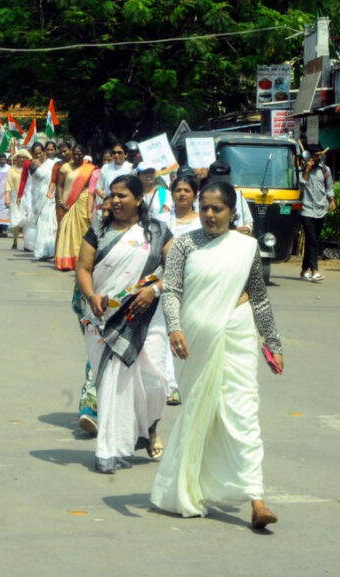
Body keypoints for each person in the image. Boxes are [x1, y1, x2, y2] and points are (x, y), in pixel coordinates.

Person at [150, 180, 284, 529]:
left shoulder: (246, 247)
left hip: (237, 338)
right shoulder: (183, 246)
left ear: (232, 212)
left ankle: (256, 500)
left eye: (218, 209)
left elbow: (259, 296)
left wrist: (272, 341)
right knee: (200, 413)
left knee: (243, 416)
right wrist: (175, 327)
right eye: (205, 207)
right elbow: (172, 292)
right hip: (193, 343)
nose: (210, 214)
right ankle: (191, 486)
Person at [75, 174, 172, 474]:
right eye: (112, 195)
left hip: (148, 317)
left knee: (155, 381)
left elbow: (176, 268)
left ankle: (148, 427)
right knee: (113, 386)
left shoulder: (157, 231)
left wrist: (153, 289)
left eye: (122, 196)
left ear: (139, 199)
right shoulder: (98, 231)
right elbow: (83, 268)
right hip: (105, 320)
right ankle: (110, 449)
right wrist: (91, 296)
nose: (115, 201)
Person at [155, 174, 202, 406]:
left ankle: (190, 383)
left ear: (195, 195)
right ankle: (170, 385)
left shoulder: (203, 221)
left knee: (190, 331)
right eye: (178, 190)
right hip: (166, 283)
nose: (182, 194)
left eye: (187, 190)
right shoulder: (161, 219)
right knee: (166, 331)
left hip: (195, 282)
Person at [54, 145, 97, 271]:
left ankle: (82, 260)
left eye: (80, 154)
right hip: (67, 203)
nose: (77, 157)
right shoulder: (65, 167)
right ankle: (66, 261)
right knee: (66, 230)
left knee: (83, 229)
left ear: (84, 155)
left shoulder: (90, 169)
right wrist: (60, 200)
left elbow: (92, 188)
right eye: (75, 154)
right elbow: (60, 186)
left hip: (83, 202)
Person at [299, 143, 334, 282]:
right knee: (312, 240)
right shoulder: (302, 169)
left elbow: (329, 187)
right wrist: (306, 170)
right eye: (316, 155)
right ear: (310, 156)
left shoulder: (326, 170)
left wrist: (332, 200)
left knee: (312, 241)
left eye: (320, 155)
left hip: (321, 210)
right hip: (306, 210)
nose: (319, 157)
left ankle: (303, 271)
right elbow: (301, 187)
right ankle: (315, 271)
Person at [33, 141, 60, 259]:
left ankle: (53, 250)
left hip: (54, 197)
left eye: (51, 150)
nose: (49, 152)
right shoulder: (35, 164)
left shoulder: (57, 163)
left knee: (53, 225)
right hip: (41, 197)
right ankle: (42, 251)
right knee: (42, 224)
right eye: (47, 150)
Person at [95, 142, 134, 223]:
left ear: (126, 155)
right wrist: (106, 199)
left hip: (125, 206)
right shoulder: (106, 168)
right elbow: (98, 188)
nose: (116, 155)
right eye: (114, 153)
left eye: (119, 152)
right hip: (108, 206)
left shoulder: (131, 168)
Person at [4, 149, 32, 250]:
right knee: (16, 219)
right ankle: (15, 240)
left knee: (26, 219)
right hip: (15, 197)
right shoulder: (11, 171)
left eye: (24, 158)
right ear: (17, 158)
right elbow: (8, 185)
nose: (22, 159)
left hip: (28, 196)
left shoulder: (30, 170)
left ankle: (26, 242)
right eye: (20, 157)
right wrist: (7, 198)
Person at [22, 142, 46, 252]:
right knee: (31, 219)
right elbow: (23, 179)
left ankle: (43, 244)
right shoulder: (29, 164)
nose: (38, 156)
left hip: (46, 194)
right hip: (32, 193)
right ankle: (30, 244)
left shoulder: (49, 164)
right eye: (35, 154)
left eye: (40, 153)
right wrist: (20, 194)